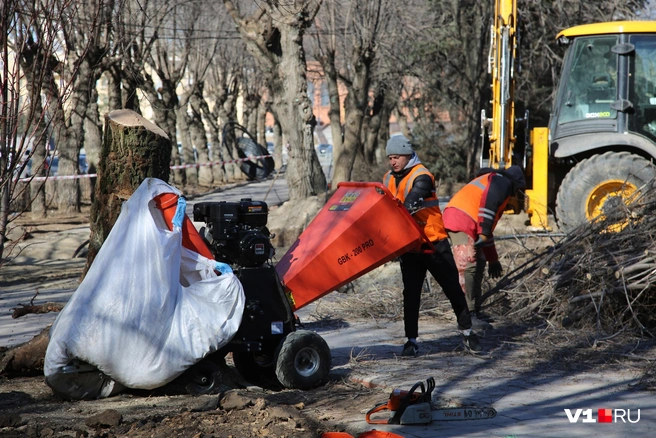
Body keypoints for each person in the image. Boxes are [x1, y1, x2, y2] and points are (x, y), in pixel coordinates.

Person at [383, 135, 481, 356]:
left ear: (408, 155)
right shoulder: (389, 177)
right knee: (411, 294)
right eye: (390, 157)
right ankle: (411, 341)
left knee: (452, 289)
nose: (393, 162)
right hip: (410, 247)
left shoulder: (423, 176)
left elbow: (410, 203)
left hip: (435, 244)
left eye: (396, 157)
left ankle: (467, 332)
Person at [442, 165, 526, 330]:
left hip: (466, 220)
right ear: (516, 186)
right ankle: (468, 315)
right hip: (460, 219)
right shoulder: (503, 182)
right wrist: (485, 233)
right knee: (468, 265)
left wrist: (493, 260)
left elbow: (485, 233)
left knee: (479, 262)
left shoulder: (494, 183)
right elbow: (488, 209)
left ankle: (475, 311)